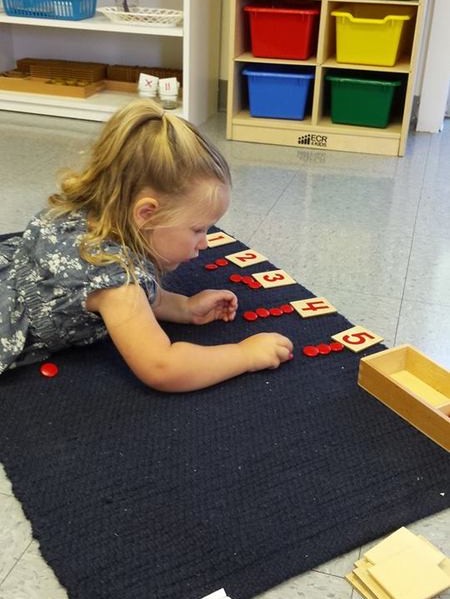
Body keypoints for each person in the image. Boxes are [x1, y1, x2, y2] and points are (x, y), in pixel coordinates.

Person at [0, 99, 293, 391]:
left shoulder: (92, 215)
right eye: (197, 229)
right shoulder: (115, 282)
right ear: (146, 214)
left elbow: (147, 300)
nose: (204, 243)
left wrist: (187, 308)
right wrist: (245, 355)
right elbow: (163, 368)